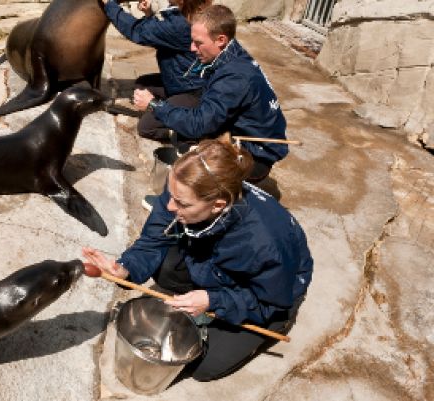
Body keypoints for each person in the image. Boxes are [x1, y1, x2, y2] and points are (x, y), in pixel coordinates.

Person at [82, 139, 312, 381]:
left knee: (204, 367)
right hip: (217, 260)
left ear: (218, 205)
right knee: (166, 271)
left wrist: (213, 300)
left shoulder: (264, 243)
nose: (170, 205)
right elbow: (154, 240)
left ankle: (274, 326)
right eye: (170, 195)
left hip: (271, 295)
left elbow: (271, 300)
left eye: (181, 203)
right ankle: (210, 290)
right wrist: (125, 268)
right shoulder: (182, 189)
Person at [133, 5, 288, 184]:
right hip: (239, 135)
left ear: (220, 39)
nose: (192, 48)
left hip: (254, 156)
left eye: (198, 43)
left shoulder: (234, 77)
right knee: (187, 138)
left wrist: (154, 105)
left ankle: (219, 199)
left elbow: (198, 124)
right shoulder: (231, 53)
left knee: (189, 172)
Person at [101, 0, 211, 142]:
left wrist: (110, 4)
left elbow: (138, 31)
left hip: (193, 92)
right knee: (141, 85)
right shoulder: (190, 15)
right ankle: (170, 109)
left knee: (146, 127)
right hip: (180, 81)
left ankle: (192, 131)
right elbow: (162, 32)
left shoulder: (182, 24)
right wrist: (148, 14)